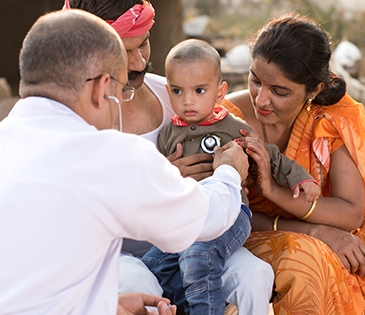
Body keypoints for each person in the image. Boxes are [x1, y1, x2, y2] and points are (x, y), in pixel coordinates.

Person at [0, 9, 250, 315]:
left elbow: (20, 280)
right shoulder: (104, 155)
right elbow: (207, 218)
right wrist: (228, 170)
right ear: (102, 89)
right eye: (119, 92)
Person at [64, 1, 275, 313]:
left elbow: (230, 146)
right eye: (125, 51)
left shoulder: (174, 95)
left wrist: (233, 170)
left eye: (144, 43)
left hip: (188, 238)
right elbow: (75, 213)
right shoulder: (73, 116)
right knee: (140, 285)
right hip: (112, 252)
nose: (138, 61)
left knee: (254, 276)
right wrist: (162, 182)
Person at [223, 13, 365, 315]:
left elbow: (351, 212)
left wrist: (276, 193)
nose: (262, 100)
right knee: (308, 258)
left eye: (280, 91)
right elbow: (224, 215)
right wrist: (314, 232)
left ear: (314, 91)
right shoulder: (225, 119)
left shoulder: (333, 116)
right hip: (247, 232)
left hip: (320, 223)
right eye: (256, 80)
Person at [141, 39, 319, 315]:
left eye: (199, 91)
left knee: (197, 256)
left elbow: (270, 154)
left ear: (220, 92)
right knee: (154, 264)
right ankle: (208, 306)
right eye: (177, 91)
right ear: (168, 91)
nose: (188, 101)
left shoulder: (232, 127)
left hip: (231, 215)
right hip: (186, 216)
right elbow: (155, 183)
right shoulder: (168, 135)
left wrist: (299, 178)